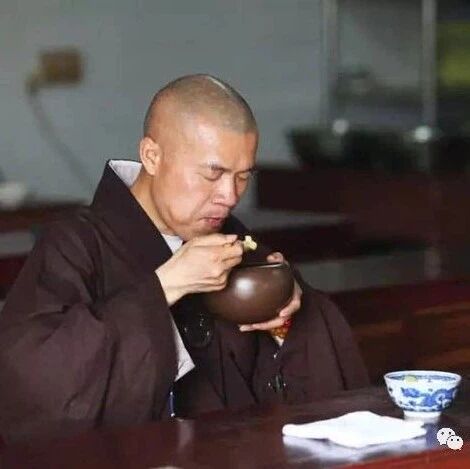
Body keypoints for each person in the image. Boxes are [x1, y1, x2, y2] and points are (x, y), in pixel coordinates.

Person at [0, 74, 369, 443]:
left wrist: (285, 318)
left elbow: (295, 371)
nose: (229, 196)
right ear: (152, 156)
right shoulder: (77, 243)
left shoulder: (232, 238)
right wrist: (165, 286)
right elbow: (32, 379)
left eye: (242, 177)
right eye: (213, 174)